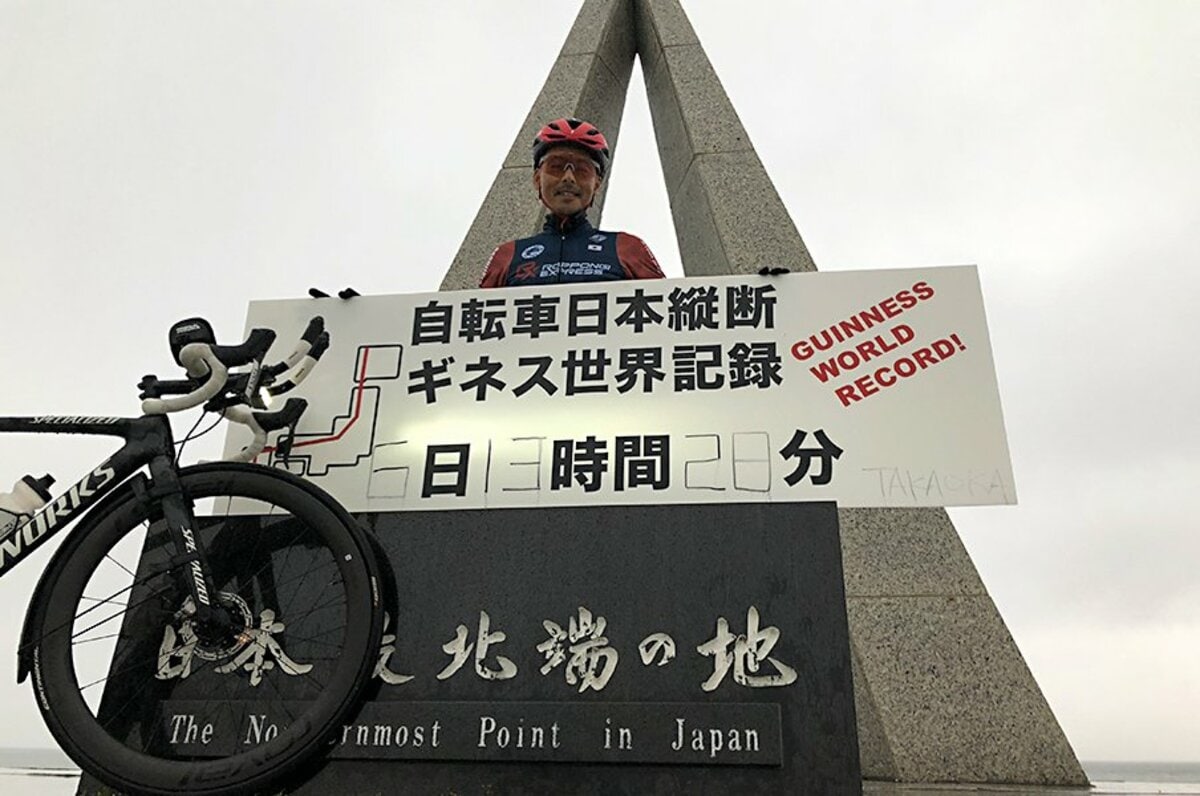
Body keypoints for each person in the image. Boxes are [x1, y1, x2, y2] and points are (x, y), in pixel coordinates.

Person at [479, 117, 665, 287]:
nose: (569, 177)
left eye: (582, 169)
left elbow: (670, 315)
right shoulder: (508, 255)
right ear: (537, 178)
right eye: (556, 167)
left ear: (597, 184)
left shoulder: (626, 248)